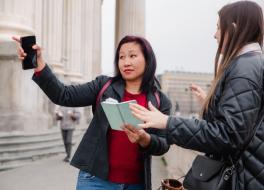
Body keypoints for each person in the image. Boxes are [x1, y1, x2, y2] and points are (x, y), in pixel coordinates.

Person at [126, 1, 264, 189]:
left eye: (218, 28)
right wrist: (210, 105)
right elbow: (241, 128)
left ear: (233, 28)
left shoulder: (245, 67)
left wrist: (167, 122)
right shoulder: (253, 63)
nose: (214, 35)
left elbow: (227, 136)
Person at [13, 35, 172, 190]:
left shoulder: (160, 101)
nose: (126, 62)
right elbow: (63, 95)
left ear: (148, 59)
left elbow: (163, 145)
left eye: (132, 56)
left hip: (136, 184)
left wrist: (145, 139)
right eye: (121, 57)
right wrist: (39, 63)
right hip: (95, 181)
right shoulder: (104, 85)